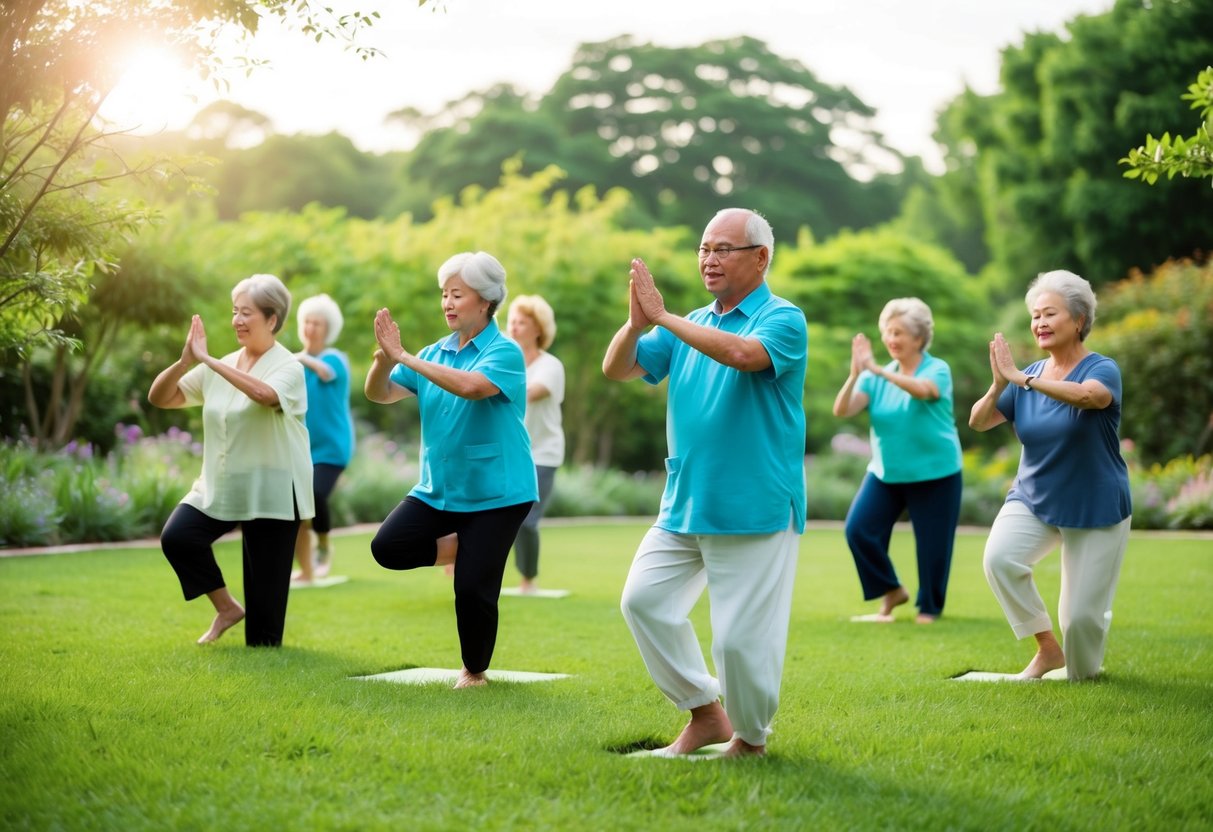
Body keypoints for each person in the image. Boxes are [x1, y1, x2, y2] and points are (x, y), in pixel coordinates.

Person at [602, 207, 807, 758]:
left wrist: (665, 319)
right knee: (643, 602)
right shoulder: (692, 321)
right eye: (703, 248)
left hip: (755, 502)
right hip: (686, 500)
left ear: (760, 259)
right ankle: (705, 712)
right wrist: (638, 324)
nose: (708, 259)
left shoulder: (783, 318)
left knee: (739, 640)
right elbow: (617, 369)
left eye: (723, 249)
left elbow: (744, 356)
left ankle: (751, 739)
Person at [365, 251, 537, 689]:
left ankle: (474, 672)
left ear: (485, 300)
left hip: (498, 493)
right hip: (438, 488)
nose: (447, 302)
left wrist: (405, 355)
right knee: (388, 547)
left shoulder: (505, 351)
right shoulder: (432, 352)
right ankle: (467, 547)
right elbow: (379, 393)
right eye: (444, 294)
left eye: (456, 294)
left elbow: (474, 387)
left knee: (473, 589)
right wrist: (386, 359)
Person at [969, 270, 1132, 680]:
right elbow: (978, 422)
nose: (1039, 323)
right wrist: (996, 386)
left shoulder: (1101, 368)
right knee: (1000, 559)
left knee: (1080, 626)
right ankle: (1047, 649)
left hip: (1095, 502)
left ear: (1078, 320)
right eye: (1035, 315)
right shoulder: (1027, 376)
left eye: (1050, 314)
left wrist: (1024, 379)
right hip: (1034, 496)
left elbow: (1091, 397)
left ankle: (1077, 665)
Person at [149, 273, 315, 646]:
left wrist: (208, 361)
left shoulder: (289, 367)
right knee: (179, 537)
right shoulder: (218, 365)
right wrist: (184, 362)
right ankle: (226, 608)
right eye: (235, 312)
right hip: (221, 484)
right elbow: (162, 397)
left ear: (272, 319)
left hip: (273, 489)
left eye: (247, 313)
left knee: (264, 637)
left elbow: (264, 394)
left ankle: (258, 642)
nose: (237, 320)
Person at [832, 298, 963, 624]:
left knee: (933, 545)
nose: (891, 339)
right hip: (886, 472)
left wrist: (876, 370)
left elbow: (923, 391)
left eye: (899, 333)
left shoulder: (937, 369)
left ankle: (929, 608)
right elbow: (843, 410)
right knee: (859, 530)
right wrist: (854, 375)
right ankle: (891, 590)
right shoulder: (875, 377)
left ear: (918, 338)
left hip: (936, 472)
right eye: (888, 332)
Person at [291, 293, 355, 585]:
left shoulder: (335, 359)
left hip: (332, 448)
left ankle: (325, 546)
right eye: (307, 321)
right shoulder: (294, 365)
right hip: (301, 448)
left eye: (317, 323)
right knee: (295, 509)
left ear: (327, 329)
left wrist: (299, 357)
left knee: (315, 495)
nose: (311, 328)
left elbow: (325, 373)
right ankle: (305, 570)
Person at [505, 294, 565, 594]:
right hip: (509, 454)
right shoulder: (505, 362)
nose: (514, 327)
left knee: (527, 520)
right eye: (512, 321)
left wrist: (489, 387)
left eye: (522, 322)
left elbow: (532, 392)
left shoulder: (550, 366)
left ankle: (529, 580)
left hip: (542, 454)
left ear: (538, 329)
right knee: (500, 518)